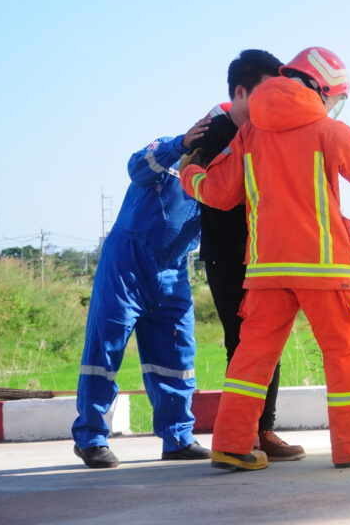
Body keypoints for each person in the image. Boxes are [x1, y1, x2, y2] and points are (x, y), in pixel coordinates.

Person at [180, 46, 350, 471]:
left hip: (266, 271)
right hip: (325, 268)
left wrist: (190, 174)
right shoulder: (328, 132)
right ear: (321, 89)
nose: (333, 107)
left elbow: (220, 193)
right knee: (345, 354)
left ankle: (230, 444)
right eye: (335, 99)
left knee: (252, 358)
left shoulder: (250, 134)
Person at [72, 118, 212, 468]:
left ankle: (178, 437)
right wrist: (180, 144)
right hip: (126, 266)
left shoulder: (221, 176)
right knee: (105, 349)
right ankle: (91, 437)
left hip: (173, 271)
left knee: (177, 354)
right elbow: (136, 167)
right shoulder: (170, 152)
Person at [190, 49, 305, 462]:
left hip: (268, 256)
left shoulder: (267, 131)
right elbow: (205, 187)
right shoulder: (211, 134)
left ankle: (265, 429)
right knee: (242, 344)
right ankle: (244, 435)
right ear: (240, 92)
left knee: (269, 343)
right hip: (227, 256)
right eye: (264, 93)